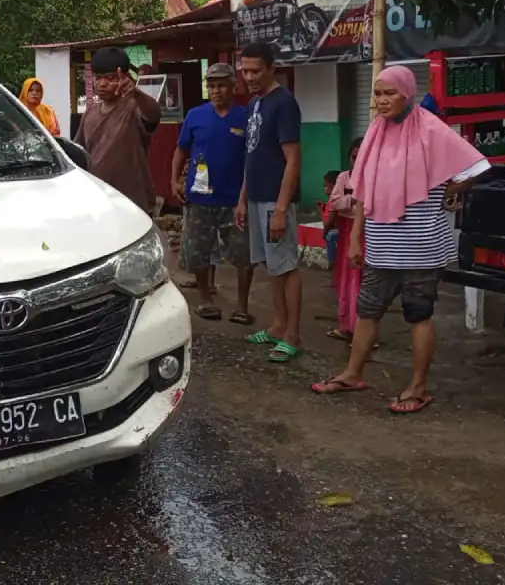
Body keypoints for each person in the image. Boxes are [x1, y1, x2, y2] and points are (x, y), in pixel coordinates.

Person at [311, 66, 488, 412]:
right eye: (377, 93)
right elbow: (363, 191)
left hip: (421, 245)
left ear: (407, 93)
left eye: (389, 93)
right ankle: (352, 374)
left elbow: (478, 166)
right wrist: (357, 239)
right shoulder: (376, 134)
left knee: (418, 314)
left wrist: (453, 187)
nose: (380, 100)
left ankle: (418, 388)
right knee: (368, 309)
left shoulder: (432, 129)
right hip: (380, 244)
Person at [234, 42, 303, 363]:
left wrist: (280, 208)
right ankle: (278, 325)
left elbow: (292, 161)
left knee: (286, 267)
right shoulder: (254, 104)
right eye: (245, 70)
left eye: (255, 71)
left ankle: (293, 334)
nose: (249, 76)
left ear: (271, 68)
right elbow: (251, 156)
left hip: (277, 200)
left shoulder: (284, 103)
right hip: (257, 197)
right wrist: (242, 199)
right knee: (271, 266)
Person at [171, 62, 254, 325]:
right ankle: (206, 300)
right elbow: (181, 150)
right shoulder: (196, 115)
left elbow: (252, 159)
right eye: (212, 86)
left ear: (234, 87)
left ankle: (242, 306)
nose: (216, 91)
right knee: (199, 251)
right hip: (199, 197)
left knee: (243, 255)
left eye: (221, 86)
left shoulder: (246, 116)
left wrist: (245, 195)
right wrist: (174, 180)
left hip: (234, 200)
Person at [75, 47, 161, 213]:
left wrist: (136, 93)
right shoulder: (90, 112)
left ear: (125, 77)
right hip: (98, 201)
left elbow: (154, 115)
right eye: (98, 78)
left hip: (132, 203)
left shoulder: (134, 107)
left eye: (110, 78)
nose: (102, 83)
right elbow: (79, 153)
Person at [324, 137, 364, 342]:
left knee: (363, 283)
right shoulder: (343, 177)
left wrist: (351, 202)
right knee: (345, 279)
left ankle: (363, 332)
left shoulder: (375, 177)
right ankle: (346, 325)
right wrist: (354, 200)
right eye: (353, 157)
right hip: (347, 231)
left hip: (370, 233)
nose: (357, 161)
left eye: (361, 156)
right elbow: (335, 202)